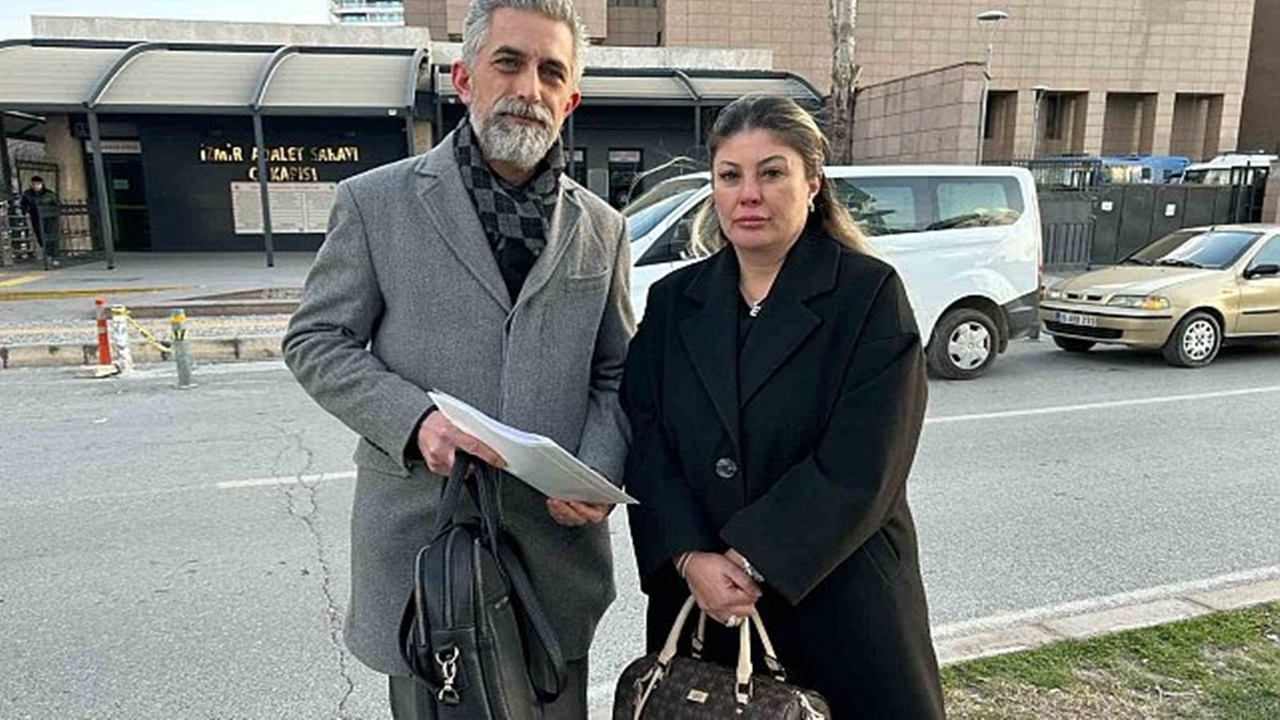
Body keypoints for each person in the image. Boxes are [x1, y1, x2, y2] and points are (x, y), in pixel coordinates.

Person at [282, 0, 633, 716]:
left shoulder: (603, 227)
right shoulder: (375, 203)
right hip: (424, 557)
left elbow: (616, 372)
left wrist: (599, 470)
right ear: (465, 78)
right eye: (509, 62)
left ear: (571, 100)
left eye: (551, 72)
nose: (528, 89)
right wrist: (415, 422)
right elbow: (315, 339)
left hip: (554, 557)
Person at [621, 93, 944, 718]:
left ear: (812, 183)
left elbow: (866, 460)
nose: (749, 194)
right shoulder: (674, 300)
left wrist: (751, 558)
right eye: (730, 176)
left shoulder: (867, 295)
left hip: (838, 598)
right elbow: (646, 437)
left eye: (772, 173)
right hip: (705, 603)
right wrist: (688, 555)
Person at [20, 175, 60, 258]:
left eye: (38, 184)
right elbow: (23, 205)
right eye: (34, 184)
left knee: (51, 235)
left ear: (42, 184)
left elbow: (57, 205)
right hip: (36, 218)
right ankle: (47, 253)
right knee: (40, 236)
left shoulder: (49, 194)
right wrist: (26, 212)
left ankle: (53, 254)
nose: (36, 186)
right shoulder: (27, 194)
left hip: (49, 219)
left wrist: (54, 213)